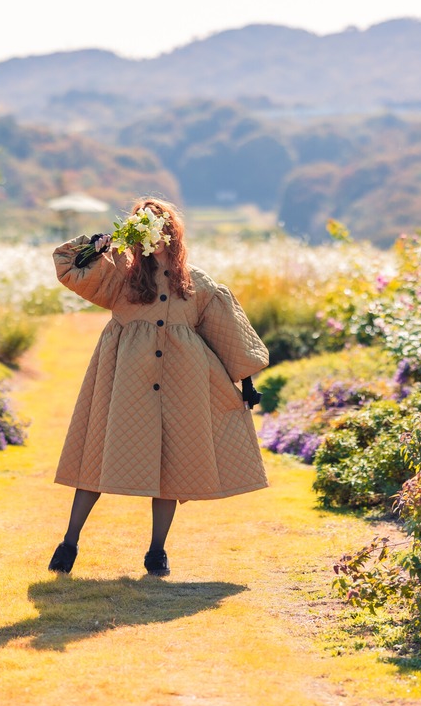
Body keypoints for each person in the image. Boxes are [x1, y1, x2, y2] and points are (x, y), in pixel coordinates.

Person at [48, 196, 269, 577]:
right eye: (151, 228)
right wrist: (99, 244)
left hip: (183, 381)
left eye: (165, 227)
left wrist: (245, 378)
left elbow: (225, 330)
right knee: (96, 455)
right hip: (124, 379)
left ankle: (157, 552)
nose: (160, 236)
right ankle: (69, 544)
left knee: (171, 465)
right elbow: (69, 267)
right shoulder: (119, 272)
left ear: (174, 232)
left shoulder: (197, 282)